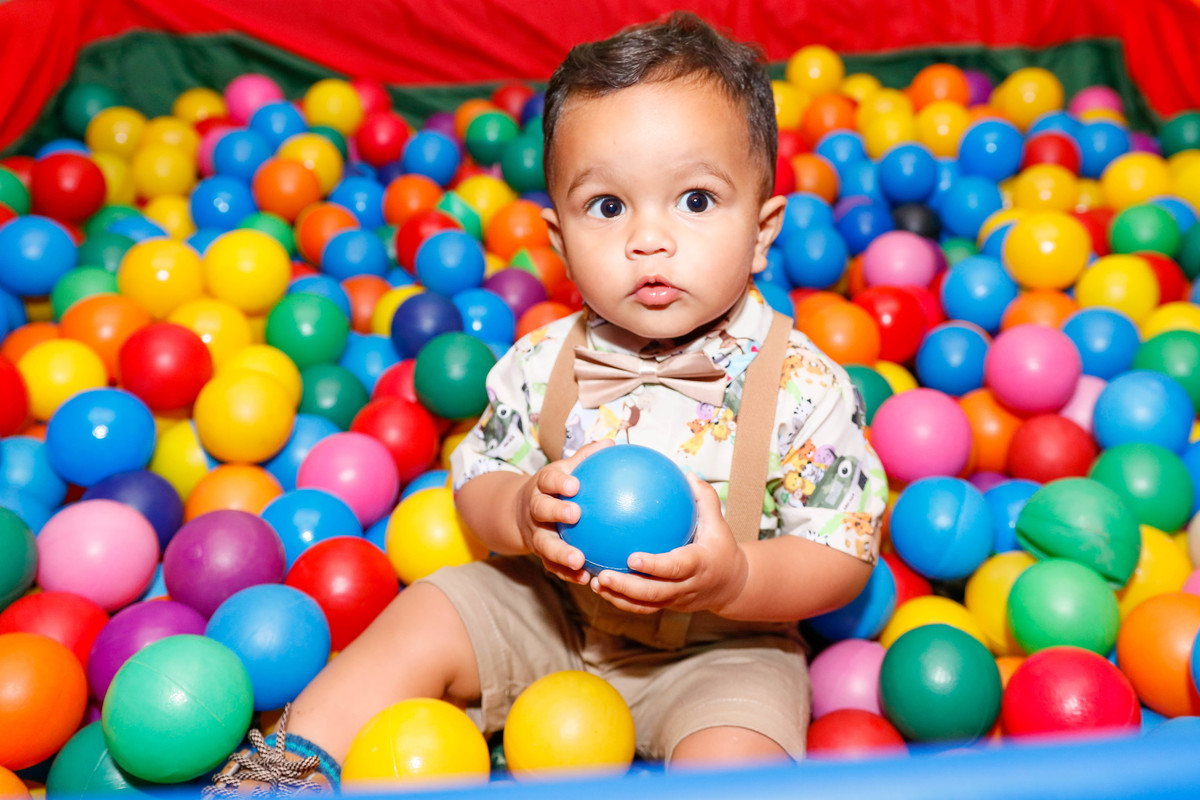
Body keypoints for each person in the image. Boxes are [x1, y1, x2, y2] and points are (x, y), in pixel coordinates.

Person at [207, 11, 887, 795]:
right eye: (608, 207)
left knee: (741, 754)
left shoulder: (804, 386)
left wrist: (734, 579)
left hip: (726, 647)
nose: (649, 239)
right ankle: (283, 770)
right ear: (559, 242)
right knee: (430, 609)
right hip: (550, 614)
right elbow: (478, 479)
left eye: (696, 200)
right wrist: (522, 511)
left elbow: (842, 553)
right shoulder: (539, 361)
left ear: (763, 231)